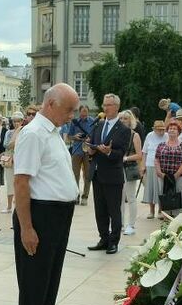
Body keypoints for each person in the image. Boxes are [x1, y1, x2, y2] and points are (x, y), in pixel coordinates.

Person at [12, 83, 79, 305]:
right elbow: (21, 182)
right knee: (34, 283)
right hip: (40, 216)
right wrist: (27, 228)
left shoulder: (52, 132)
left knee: (50, 282)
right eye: (68, 110)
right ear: (51, 104)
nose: (71, 116)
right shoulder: (33, 134)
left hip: (59, 216)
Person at [85, 94, 131, 254]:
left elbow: (120, 154)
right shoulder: (98, 125)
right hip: (97, 173)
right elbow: (94, 147)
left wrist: (109, 152)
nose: (105, 108)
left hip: (113, 175)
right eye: (104, 105)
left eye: (109, 105)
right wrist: (91, 150)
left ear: (117, 107)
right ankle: (103, 239)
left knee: (114, 210)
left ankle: (114, 242)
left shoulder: (124, 129)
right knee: (100, 210)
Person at [154, 121, 182, 215]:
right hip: (163, 175)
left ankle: (176, 216)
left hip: (178, 176)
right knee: (164, 195)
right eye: (170, 128)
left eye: (174, 129)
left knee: (177, 195)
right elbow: (156, 159)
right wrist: (159, 172)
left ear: (178, 132)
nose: (172, 130)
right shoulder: (161, 145)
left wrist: (176, 174)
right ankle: (165, 216)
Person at [62, 105, 96, 204]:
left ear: (88, 112)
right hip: (77, 150)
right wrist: (75, 137)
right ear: (80, 112)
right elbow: (68, 137)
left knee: (87, 174)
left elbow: (96, 136)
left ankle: (85, 196)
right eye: (82, 111)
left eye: (86, 111)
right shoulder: (75, 122)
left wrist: (91, 139)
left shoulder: (93, 122)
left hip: (88, 149)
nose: (84, 113)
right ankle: (76, 195)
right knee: (75, 174)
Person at [118, 110, 145, 236]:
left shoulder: (135, 135)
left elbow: (139, 155)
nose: (123, 120)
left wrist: (126, 158)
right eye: (122, 118)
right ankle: (120, 224)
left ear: (131, 120)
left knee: (131, 197)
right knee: (119, 198)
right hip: (117, 168)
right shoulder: (117, 133)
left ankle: (131, 225)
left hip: (130, 169)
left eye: (126, 118)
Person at [141, 119, 166, 219]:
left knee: (160, 189)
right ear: (154, 129)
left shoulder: (167, 136)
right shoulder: (150, 135)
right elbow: (144, 152)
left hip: (162, 166)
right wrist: (143, 165)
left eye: (163, 129)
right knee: (150, 188)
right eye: (159, 130)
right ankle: (151, 211)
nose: (161, 131)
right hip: (150, 165)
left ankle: (160, 210)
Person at [1, 112, 25, 212]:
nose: (16, 123)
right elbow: (6, 145)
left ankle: (18, 205)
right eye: (14, 121)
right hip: (10, 160)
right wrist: (15, 141)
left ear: (22, 121)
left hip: (21, 160)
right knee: (10, 182)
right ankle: (9, 206)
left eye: (18, 121)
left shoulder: (25, 131)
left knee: (20, 183)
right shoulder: (9, 132)